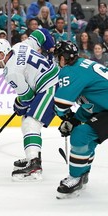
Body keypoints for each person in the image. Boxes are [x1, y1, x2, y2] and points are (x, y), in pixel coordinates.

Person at [0, 28, 59, 181]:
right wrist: (51, 49)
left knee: (30, 122)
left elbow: (27, 97)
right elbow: (42, 33)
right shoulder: (20, 46)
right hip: (55, 77)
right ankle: (32, 157)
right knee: (28, 120)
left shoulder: (11, 72)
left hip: (51, 87)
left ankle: (34, 165)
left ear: (1, 55)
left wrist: (18, 105)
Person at [53, 40, 108, 199]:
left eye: (58, 57)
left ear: (63, 58)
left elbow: (61, 105)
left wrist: (66, 118)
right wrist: (74, 120)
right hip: (105, 110)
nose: (58, 61)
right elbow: (92, 104)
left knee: (81, 135)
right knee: (85, 135)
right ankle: (82, 173)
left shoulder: (70, 71)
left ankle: (76, 177)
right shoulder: (84, 65)